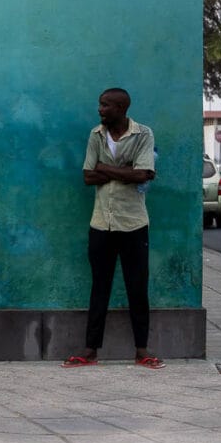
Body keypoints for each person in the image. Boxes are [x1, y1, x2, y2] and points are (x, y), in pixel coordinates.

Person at [62, 88, 163, 369]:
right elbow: (87, 176)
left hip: (133, 224)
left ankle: (142, 350)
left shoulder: (143, 134)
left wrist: (105, 168)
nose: (100, 110)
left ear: (120, 107)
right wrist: (125, 172)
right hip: (101, 224)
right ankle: (90, 351)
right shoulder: (96, 135)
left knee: (137, 287)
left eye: (105, 105)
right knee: (100, 287)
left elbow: (144, 174)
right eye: (100, 105)